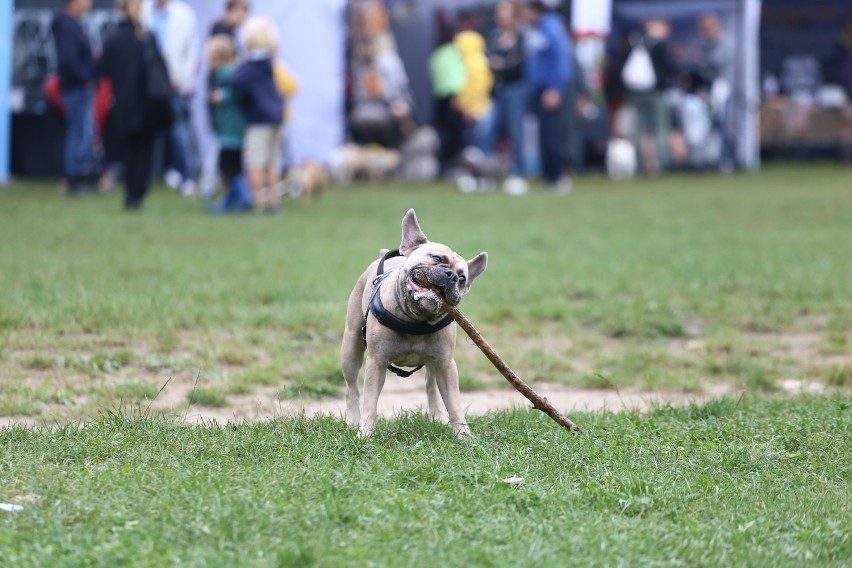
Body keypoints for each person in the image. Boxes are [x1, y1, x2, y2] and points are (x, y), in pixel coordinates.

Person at [97, 0, 173, 210]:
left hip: (123, 103)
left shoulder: (114, 39)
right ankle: (137, 192)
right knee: (145, 150)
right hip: (147, 102)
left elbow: (103, 70)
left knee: (129, 150)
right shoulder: (146, 37)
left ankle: (131, 193)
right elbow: (162, 70)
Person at [141, 0, 200, 196]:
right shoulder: (143, 9)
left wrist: (183, 78)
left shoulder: (184, 14)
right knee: (148, 132)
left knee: (178, 131)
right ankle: (147, 177)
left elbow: (191, 52)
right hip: (148, 84)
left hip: (174, 82)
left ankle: (186, 175)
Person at [230, 17, 285, 213]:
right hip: (276, 116)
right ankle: (274, 202)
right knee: (272, 162)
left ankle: (258, 201)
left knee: (255, 162)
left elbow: (234, 81)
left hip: (259, 119)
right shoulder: (269, 63)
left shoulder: (251, 65)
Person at [522, 0, 573, 188]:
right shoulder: (536, 28)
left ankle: (557, 174)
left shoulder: (552, 27)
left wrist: (555, 88)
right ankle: (547, 175)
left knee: (552, 134)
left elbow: (561, 60)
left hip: (549, 89)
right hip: (537, 89)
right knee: (543, 134)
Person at [51, 0, 99, 194]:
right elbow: (69, 58)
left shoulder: (72, 24)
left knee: (82, 132)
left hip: (77, 86)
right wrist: (86, 78)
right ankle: (74, 177)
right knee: (78, 133)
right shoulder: (66, 25)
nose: (89, 4)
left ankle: (80, 176)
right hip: (76, 87)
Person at [205, 34, 252, 214]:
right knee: (232, 167)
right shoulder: (231, 71)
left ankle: (244, 198)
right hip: (231, 130)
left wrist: (223, 96)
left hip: (231, 132)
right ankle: (230, 202)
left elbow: (239, 93)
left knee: (228, 166)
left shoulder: (228, 74)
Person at [482, 1, 527, 178]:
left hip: (515, 89)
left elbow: (520, 63)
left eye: (504, 10)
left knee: (516, 132)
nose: (500, 14)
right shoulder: (493, 35)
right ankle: (486, 173)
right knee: (487, 130)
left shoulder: (521, 36)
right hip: (496, 90)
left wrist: (502, 63)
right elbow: (487, 59)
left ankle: (518, 173)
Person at [625, 18, 675, 176]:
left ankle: (640, 164)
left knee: (639, 128)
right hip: (656, 92)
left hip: (636, 92)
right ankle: (661, 164)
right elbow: (670, 67)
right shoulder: (659, 45)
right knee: (660, 127)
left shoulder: (634, 42)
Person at [349, 37, 413, 149]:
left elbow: (400, 90)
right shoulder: (358, 67)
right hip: (368, 109)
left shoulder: (389, 62)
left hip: (390, 106)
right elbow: (358, 98)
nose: (364, 48)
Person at [696, 13, 735, 172]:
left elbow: (714, 62)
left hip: (723, 89)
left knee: (724, 124)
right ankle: (709, 159)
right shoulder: (706, 44)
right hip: (709, 90)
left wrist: (699, 59)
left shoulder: (725, 43)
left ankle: (727, 159)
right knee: (708, 126)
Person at [429, 21, 467, 172]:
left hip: (439, 99)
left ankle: (444, 166)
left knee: (444, 135)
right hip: (453, 98)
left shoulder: (436, 54)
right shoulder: (453, 52)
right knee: (456, 136)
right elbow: (456, 77)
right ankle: (453, 165)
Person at [453, 30, 493, 148]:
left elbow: (476, 88)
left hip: (477, 110)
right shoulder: (476, 61)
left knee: (478, 145)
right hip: (479, 109)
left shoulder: (474, 63)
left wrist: (469, 107)